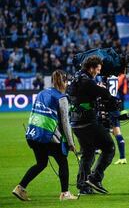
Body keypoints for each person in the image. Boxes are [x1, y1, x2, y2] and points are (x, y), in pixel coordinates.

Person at [12, 70, 77, 201]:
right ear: (64, 82)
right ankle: (65, 193)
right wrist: (71, 143)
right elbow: (65, 123)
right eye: (66, 82)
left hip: (34, 134)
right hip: (48, 137)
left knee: (41, 163)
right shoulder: (62, 98)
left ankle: (20, 188)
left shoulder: (42, 92)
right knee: (63, 162)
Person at [67, 56, 115, 195]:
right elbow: (104, 93)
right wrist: (103, 90)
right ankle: (95, 178)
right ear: (91, 67)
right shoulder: (86, 81)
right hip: (87, 122)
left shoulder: (76, 77)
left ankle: (83, 186)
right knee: (109, 148)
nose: (98, 73)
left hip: (76, 123)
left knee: (88, 153)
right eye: (98, 70)